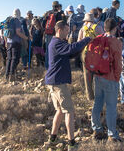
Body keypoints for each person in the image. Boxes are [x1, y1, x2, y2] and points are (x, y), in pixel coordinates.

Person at [44, 21, 91, 151]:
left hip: (54, 82)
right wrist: (86, 39)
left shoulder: (59, 43)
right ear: (59, 29)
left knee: (59, 110)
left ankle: (52, 139)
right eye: (66, 30)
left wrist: (81, 45)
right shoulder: (56, 43)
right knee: (69, 111)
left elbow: (70, 53)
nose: (68, 32)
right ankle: (71, 143)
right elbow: (70, 49)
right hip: (58, 83)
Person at [91, 18, 122, 142]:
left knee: (97, 103)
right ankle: (112, 134)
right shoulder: (116, 42)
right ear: (115, 28)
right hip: (110, 77)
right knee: (110, 106)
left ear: (104, 28)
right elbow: (118, 63)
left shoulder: (98, 38)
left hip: (98, 76)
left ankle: (96, 129)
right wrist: (117, 77)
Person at [78, 13, 103, 101]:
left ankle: (90, 96)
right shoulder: (98, 27)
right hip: (96, 53)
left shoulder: (82, 29)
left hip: (86, 53)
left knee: (87, 75)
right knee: (97, 74)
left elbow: (79, 42)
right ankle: (98, 94)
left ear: (85, 20)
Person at [5, 9, 28, 81]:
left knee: (9, 59)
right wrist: (26, 38)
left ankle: (7, 75)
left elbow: (5, 33)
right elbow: (18, 32)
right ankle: (12, 76)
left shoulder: (8, 20)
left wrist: (6, 42)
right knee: (15, 59)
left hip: (9, 42)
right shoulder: (17, 21)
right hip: (16, 42)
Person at [43, 1, 65, 69]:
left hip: (48, 34)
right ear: (58, 6)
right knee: (56, 50)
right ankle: (54, 65)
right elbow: (62, 24)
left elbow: (43, 24)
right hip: (56, 34)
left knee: (48, 50)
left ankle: (47, 66)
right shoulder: (59, 13)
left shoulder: (48, 13)